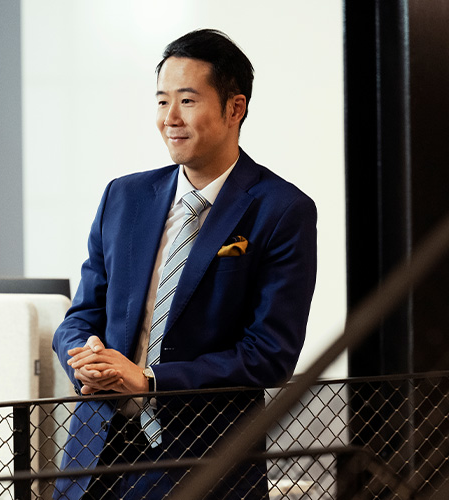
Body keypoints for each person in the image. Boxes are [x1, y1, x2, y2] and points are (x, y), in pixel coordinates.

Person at [52, 29, 318, 499]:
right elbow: (81, 315)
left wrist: (151, 381)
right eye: (161, 102)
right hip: (96, 454)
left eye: (187, 101)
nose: (169, 118)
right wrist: (85, 358)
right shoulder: (124, 196)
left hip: (206, 460)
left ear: (235, 108)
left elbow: (270, 353)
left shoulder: (282, 209)